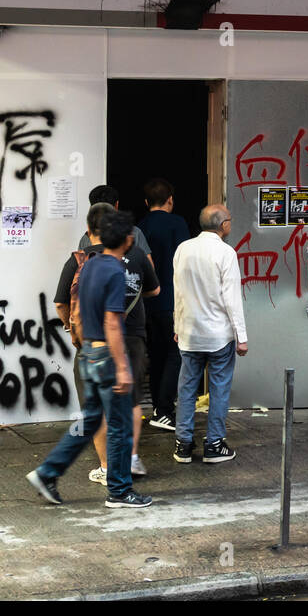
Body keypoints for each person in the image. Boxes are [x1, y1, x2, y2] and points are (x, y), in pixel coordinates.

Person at [28, 210, 153, 508]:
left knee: (90, 421)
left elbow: (75, 310)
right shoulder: (113, 270)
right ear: (128, 240)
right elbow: (112, 321)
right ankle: (120, 490)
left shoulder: (88, 264)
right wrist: (122, 366)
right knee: (120, 424)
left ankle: (48, 472)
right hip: (107, 355)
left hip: (88, 352)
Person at [55, 202, 158, 483]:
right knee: (126, 409)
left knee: (94, 414)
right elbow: (118, 318)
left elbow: (61, 303)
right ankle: (124, 472)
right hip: (124, 342)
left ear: (89, 231)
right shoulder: (131, 259)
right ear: (126, 237)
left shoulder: (82, 261)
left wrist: (71, 327)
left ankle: (95, 468)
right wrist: (121, 366)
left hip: (89, 346)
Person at [172, 204, 247, 465]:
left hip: (189, 334)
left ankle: (183, 445)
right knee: (218, 389)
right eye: (230, 220)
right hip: (218, 337)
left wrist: (176, 326)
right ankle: (214, 444)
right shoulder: (226, 253)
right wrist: (242, 336)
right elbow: (232, 299)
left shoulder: (183, 249)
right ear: (223, 225)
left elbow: (178, 292)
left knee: (187, 389)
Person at [138, 178, 191, 432]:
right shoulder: (178, 223)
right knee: (175, 353)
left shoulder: (140, 226)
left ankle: (159, 408)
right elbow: (185, 261)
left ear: (146, 203)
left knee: (157, 354)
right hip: (173, 301)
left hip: (146, 303)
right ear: (171, 200)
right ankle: (165, 409)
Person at [78, 184, 153, 270]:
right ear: (117, 205)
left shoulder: (85, 238)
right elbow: (149, 268)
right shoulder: (134, 232)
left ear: (92, 208)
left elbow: (79, 272)